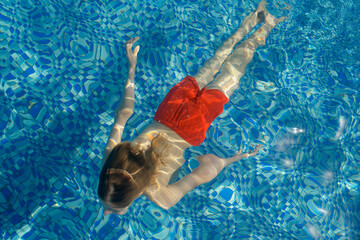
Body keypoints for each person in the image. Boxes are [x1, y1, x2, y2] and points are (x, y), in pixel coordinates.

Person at [98, 1, 285, 215]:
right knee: (214, 63)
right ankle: (254, 18)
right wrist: (131, 68)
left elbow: (202, 174)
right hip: (168, 110)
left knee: (232, 72)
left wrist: (231, 159)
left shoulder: (161, 197)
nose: (107, 211)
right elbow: (123, 114)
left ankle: (268, 25)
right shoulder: (111, 158)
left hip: (192, 127)